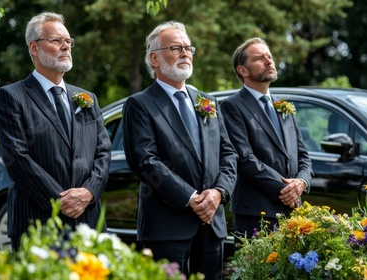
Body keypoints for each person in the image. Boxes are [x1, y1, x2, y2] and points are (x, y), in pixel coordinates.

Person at [122, 21, 237, 279]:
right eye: (176, 48)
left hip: (211, 224)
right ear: (154, 58)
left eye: (188, 47)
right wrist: (191, 198)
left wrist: (218, 193)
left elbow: (228, 154)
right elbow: (145, 161)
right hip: (166, 225)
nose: (185, 53)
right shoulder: (139, 104)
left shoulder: (206, 101)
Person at [0, 12, 111, 251]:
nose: (66, 46)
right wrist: (60, 200)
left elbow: (103, 152)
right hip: (37, 221)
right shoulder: (11, 97)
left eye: (68, 41)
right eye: (57, 40)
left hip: (88, 222)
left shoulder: (87, 98)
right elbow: (17, 157)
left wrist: (88, 192)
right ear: (34, 48)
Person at [220, 37, 313, 243]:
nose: (269, 61)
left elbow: (303, 156)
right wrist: (286, 190)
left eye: (269, 56)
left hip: (292, 212)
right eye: (259, 58)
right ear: (243, 70)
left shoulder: (282, 105)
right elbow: (244, 159)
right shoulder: (232, 106)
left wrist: (302, 182)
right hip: (256, 212)